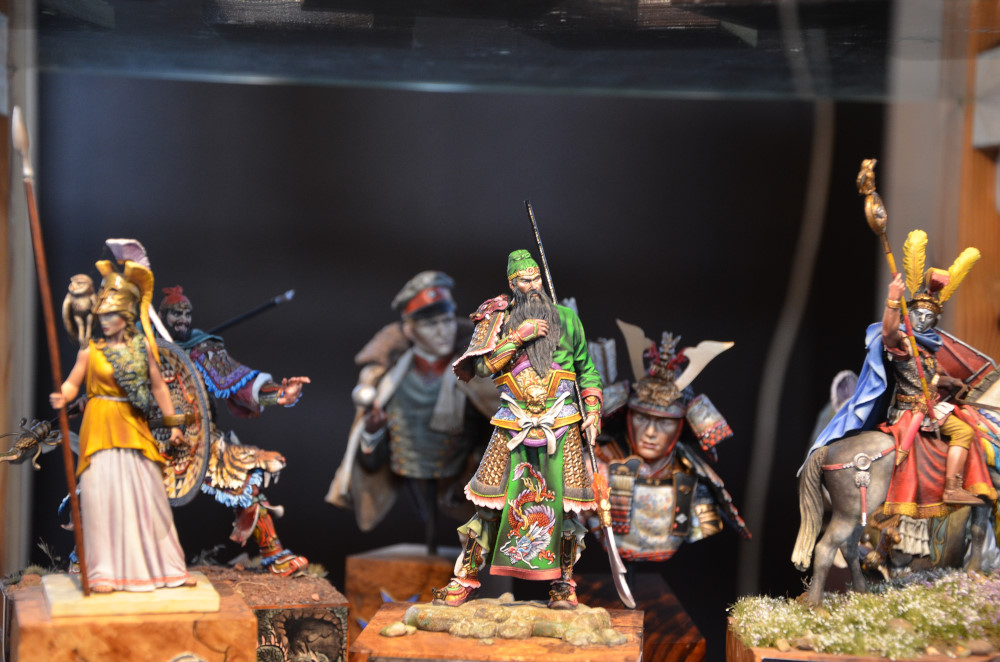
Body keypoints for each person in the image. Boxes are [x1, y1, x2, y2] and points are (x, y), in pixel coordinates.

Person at [431, 249, 602, 609]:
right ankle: (465, 579)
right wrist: (517, 337)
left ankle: (564, 584)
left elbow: (586, 368)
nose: (533, 285)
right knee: (489, 505)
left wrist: (592, 409)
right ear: (513, 284)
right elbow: (482, 369)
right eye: (525, 280)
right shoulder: (498, 318)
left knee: (568, 508)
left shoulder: (567, 319)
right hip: (512, 424)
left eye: (536, 278)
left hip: (562, 423)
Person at [807, 231, 996, 517]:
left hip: (929, 406)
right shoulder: (905, 344)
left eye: (929, 317)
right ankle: (952, 487)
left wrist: (950, 381)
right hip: (910, 411)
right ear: (910, 315)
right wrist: (893, 301)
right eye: (918, 315)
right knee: (965, 431)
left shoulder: (928, 350)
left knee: (970, 419)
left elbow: (931, 379)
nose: (923, 320)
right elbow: (888, 333)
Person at [50, 260, 195, 593]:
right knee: (100, 499)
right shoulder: (91, 350)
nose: (104, 321)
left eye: (111, 315)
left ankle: (166, 567)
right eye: (101, 315)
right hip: (100, 427)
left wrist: (173, 424)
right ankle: (103, 572)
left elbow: (159, 387)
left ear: (126, 315)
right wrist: (64, 395)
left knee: (149, 497)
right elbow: (73, 382)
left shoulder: (142, 349)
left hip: (133, 425)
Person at [326, 271, 495, 555]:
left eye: (446, 321)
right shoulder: (384, 380)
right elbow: (371, 456)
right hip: (408, 472)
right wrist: (372, 432)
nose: (442, 331)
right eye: (430, 324)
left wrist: (477, 466)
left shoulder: (476, 375)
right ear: (409, 330)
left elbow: (494, 427)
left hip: (459, 478)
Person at [158, 286, 310, 576]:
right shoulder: (140, 350)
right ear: (161, 315)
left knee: (246, 477)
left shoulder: (202, 349)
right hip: (152, 440)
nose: (183, 319)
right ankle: (87, 557)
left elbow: (241, 381)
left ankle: (274, 555)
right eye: (176, 313)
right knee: (114, 486)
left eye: (187, 313)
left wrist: (279, 394)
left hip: (200, 440)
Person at [594, 329, 750, 569]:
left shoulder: (692, 478)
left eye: (664, 422)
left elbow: (705, 526)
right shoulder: (597, 465)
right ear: (627, 416)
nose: (650, 432)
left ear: (681, 426)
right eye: (642, 418)